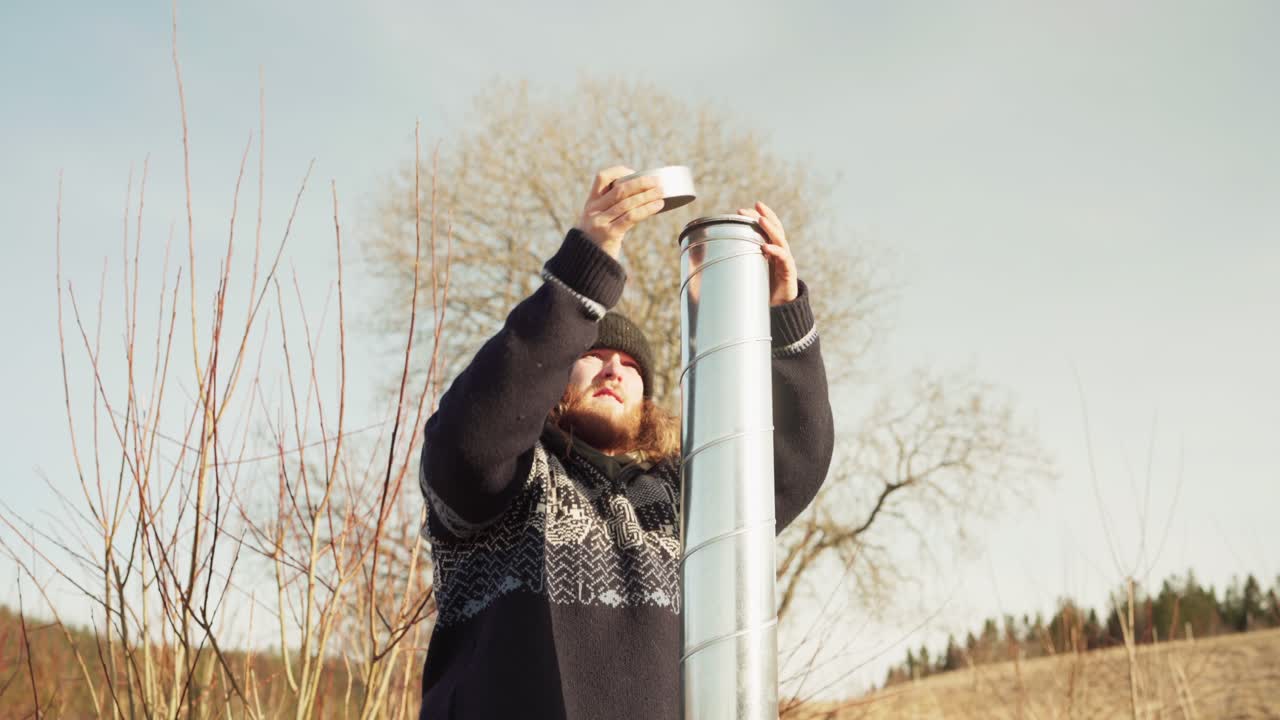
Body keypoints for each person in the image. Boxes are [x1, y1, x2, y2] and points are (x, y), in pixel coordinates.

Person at [416, 166, 835, 719]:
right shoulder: (512, 485)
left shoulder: (685, 500)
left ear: (648, 397)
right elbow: (470, 439)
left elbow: (790, 465)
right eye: (595, 355)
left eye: (632, 365)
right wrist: (588, 261)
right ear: (555, 372)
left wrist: (781, 317)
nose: (614, 368)